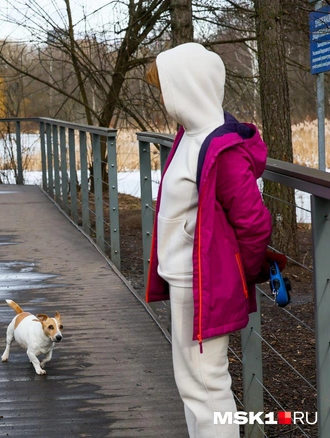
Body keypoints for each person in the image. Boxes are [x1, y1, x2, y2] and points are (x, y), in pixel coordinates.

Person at [144, 43, 272, 437]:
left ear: (188, 87)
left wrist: (240, 273)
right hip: (185, 277)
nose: (163, 97)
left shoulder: (221, 149)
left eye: (166, 87)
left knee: (206, 385)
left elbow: (254, 223)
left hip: (203, 283)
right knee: (194, 384)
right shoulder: (189, 137)